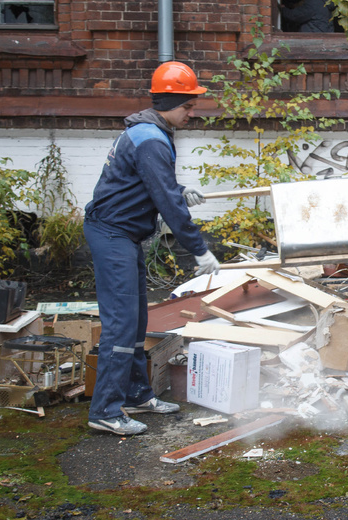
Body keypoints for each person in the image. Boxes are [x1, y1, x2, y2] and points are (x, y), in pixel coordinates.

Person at [83, 61, 220, 436]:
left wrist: (177, 191)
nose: (192, 112)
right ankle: (106, 410)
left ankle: (137, 395)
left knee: (137, 319)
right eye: (188, 106)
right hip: (111, 234)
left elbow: (149, 186)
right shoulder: (152, 140)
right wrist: (199, 250)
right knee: (121, 324)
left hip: (123, 235)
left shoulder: (150, 132)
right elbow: (166, 204)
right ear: (171, 102)